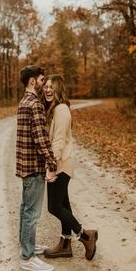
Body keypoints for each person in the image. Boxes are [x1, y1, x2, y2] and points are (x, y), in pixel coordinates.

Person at [42, 74, 98, 260]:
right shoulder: (55, 108)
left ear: (59, 89)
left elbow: (59, 140)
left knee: (54, 207)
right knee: (63, 204)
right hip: (59, 163)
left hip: (61, 164)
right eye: (46, 86)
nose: (48, 90)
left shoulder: (62, 109)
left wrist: (51, 167)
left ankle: (85, 236)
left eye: (52, 87)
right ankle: (65, 245)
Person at [16, 65, 57, 271]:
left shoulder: (23, 102)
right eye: (42, 80)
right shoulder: (36, 105)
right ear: (32, 81)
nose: (44, 84)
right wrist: (52, 162)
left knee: (25, 210)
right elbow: (41, 139)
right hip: (34, 168)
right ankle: (27, 257)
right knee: (31, 213)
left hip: (25, 167)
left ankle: (27, 246)